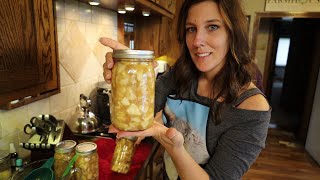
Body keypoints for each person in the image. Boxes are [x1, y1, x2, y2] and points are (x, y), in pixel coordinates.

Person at [100, 0, 271, 179]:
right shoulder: (179, 75)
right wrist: (130, 69)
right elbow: (143, 111)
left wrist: (174, 148)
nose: (197, 41)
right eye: (191, 28)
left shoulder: (252, 108)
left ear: (233, 33)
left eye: (212, 26)